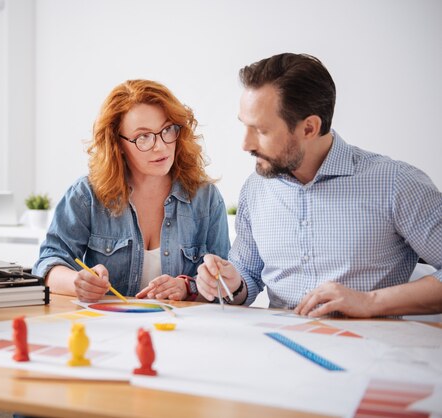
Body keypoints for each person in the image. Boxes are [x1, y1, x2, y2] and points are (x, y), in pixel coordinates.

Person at [197, 53, 442, 318]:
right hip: (276, 349)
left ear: (310, 128)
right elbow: (247, 274)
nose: (245, 144)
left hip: (366, 353)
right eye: (245, 126)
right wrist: (232, 284)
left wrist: (370, 302)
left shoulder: (395, 183)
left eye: (262, 130)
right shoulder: (256, 187)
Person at [33, 79, 230, 302]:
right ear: (118, 145)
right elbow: (47, 264)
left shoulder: (206, 199)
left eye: (167, 130)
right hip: (107, 328)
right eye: (143, 137)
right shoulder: (86, 195)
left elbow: (225, 283)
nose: (160, 146)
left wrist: (188, 288)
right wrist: (76, 282)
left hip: (177, 331)